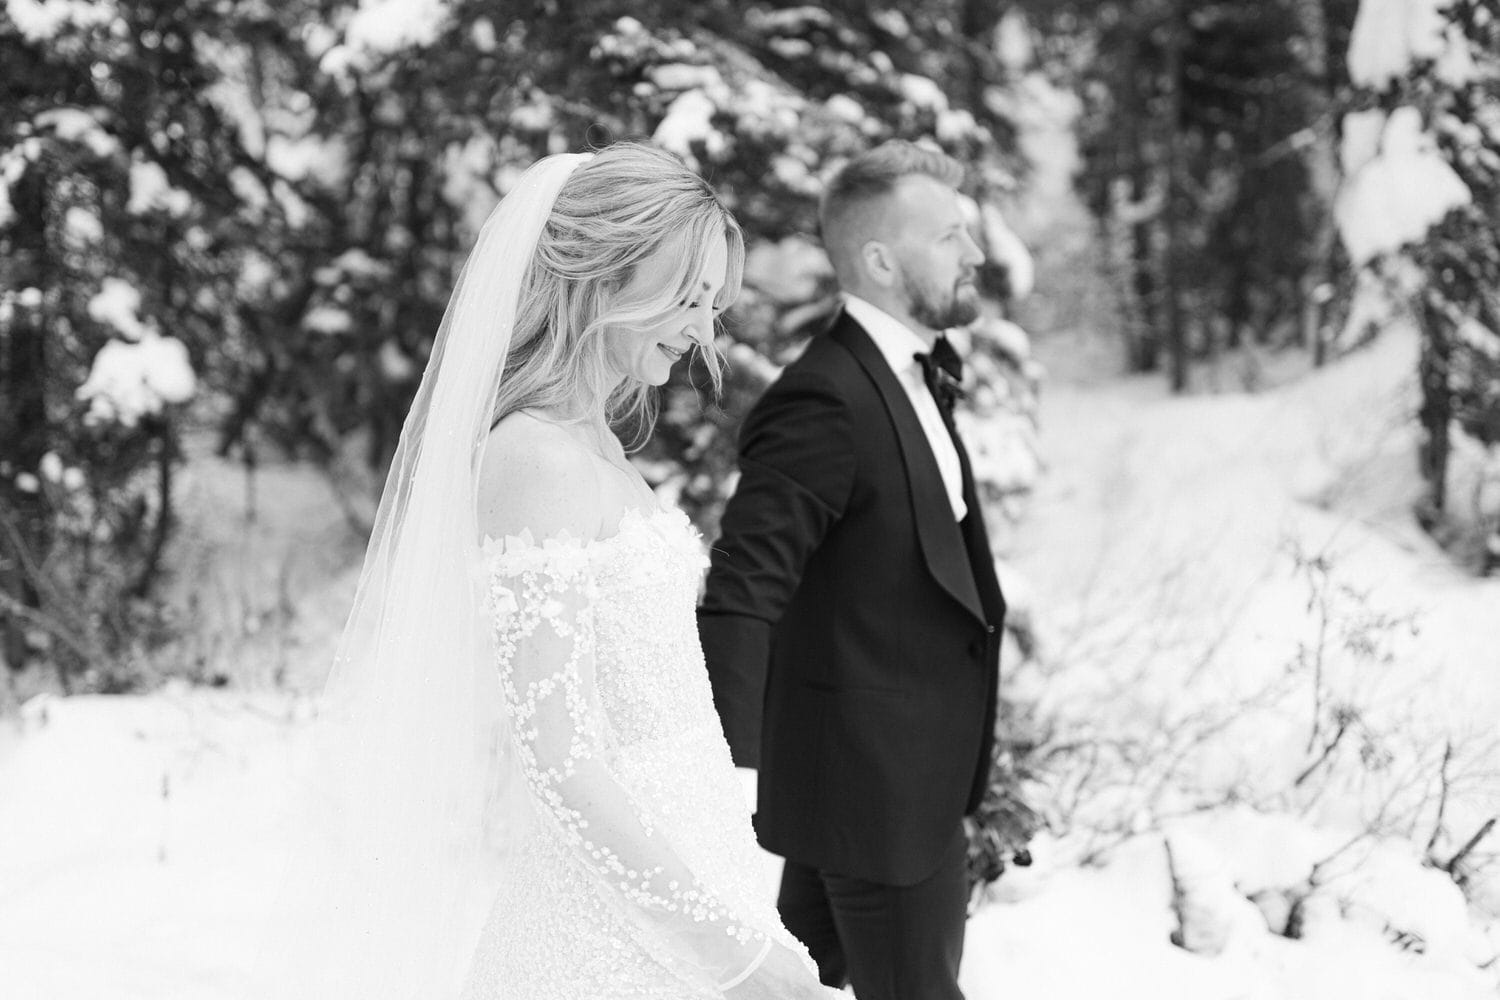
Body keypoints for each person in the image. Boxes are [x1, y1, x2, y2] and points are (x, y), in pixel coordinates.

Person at [255, 143, 840, 1000]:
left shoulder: (593, 445)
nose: (703, 329)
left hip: (693, 870)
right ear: (603, 276)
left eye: (711, 301)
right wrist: (733, 958)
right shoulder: (536, 460)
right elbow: (560, 758)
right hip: (617, 929)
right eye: (688, 295)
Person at [698, 140, 1008, 1000]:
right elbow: (742, 592)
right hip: (879, 801)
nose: (974, 254)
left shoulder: (908, 378)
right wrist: (724, 776)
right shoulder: (824, 397)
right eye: (950, 236)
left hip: (897, 782)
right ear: (879, 259)